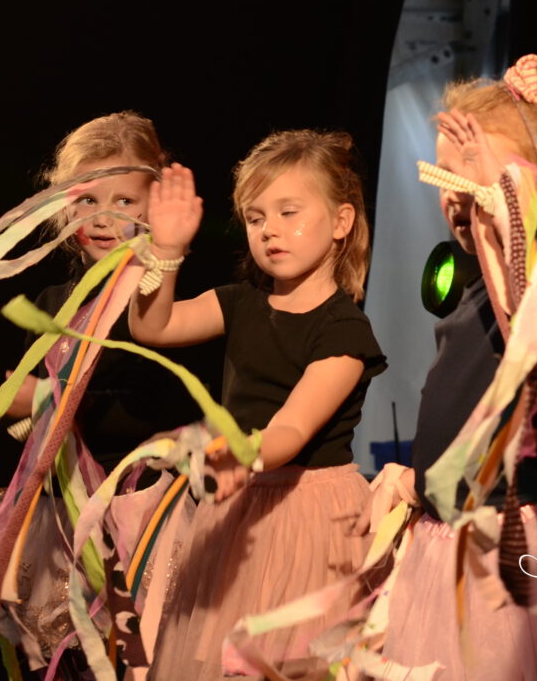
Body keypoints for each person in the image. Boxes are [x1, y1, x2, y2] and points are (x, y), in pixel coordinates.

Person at [366, 55, 537, 680]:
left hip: (514, 539)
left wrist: (510, 213)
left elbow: (529, 328)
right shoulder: (469, 292)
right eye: (444, 177)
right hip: (449, 537)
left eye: (471, 168)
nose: (453, 193)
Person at [0, 111, 201, 676]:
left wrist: (37, 400)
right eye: (86, 200)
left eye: (124, 201)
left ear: (156, 205)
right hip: (70, 531)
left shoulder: (162, 303)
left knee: (141, 661)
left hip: (144, 525)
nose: (102, 218)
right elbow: (29, 404)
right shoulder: (52, 301)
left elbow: (139, 409)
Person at [130, 129, 387, 679]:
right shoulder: (241, 303)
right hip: (238, 509)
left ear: (341, 222)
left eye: (289, 212)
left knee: (290, 661)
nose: (270, 229)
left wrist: (240, 453)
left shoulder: (344, 331)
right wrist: (165, 252)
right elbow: (153, 326)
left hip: (309, 519)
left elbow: (291, 429)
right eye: (255, 217)